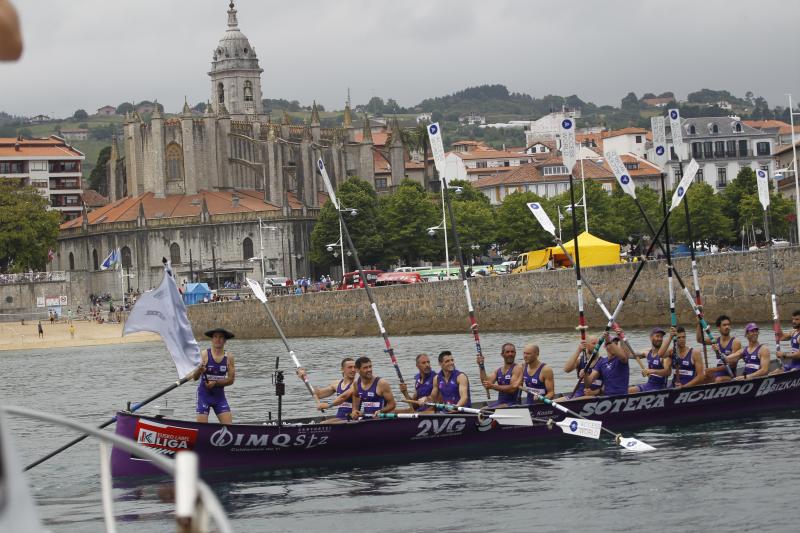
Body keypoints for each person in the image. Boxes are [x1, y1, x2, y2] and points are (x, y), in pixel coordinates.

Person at [194, 327, 236, 424]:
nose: (218, 339)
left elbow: (231, 380)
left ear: (225, 341)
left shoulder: (229, 357)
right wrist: (199, 370)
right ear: (212, 339)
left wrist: (215, 383)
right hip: (204, 396)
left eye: (221, 337)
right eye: (215, 337)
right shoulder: (204, 355)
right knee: (202, 429)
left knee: (229, 428)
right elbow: (195, 378)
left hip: (219, 397)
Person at [304, 358, 357, 422]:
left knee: (323, 423)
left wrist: (328, 405)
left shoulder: (357, 384)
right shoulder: (336, 384)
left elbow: (343, 397)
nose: (353, 370)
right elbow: (317, 394)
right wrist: (304, 378)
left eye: (355, 367)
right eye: (350, 367)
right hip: (340, 418)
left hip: (351, 418)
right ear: (342, 369)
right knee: (322, 423)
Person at [584, 331, 631, 396]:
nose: (614, 346)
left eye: (616, 344)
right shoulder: (601, 362)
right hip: (606, 397)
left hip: (621, 396)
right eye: (612, 344)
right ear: (605, 347)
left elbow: (623, 356)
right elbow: (588, 383)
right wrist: (585, 374)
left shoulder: (621, 360)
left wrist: (609, 341)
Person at [628, 327, 672, 393]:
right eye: (657, 336)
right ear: (651, 337)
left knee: (629, 391)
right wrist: (621, 339)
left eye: (661, 337)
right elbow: (628, 355)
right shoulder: (647, 352)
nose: (660, 339)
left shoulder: (665, 355)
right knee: (625, 390)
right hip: (649, 385)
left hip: (660, 388)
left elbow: (668, 372)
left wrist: (651, 371)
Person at [697, 314, 740, 382]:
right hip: (718, 373)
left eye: (728, 324)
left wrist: (713, 369)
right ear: (718, 328)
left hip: (730, 375)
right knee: (701, 378)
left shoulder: (735, 342)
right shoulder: (716, 340)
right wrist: (700, 323)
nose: (727, 327)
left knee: (718, 380)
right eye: (724, 325)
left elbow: (732, 364)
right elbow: (700, 340)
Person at [478, 343, 523, 407]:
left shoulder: (517, 368)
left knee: (493, 409)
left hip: (513, 404)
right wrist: (481, 366)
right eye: (507, 352)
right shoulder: (498, 371)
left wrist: (493, 386)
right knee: (483, 410)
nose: (510, 354)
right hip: (500, 403)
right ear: (502, 354)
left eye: (512, 352)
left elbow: (512, 389)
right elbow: (486, 383)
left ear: (515, 354)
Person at [560, 336, 602, 400]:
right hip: (578, 394)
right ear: (586, 345)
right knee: (552, 403)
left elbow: (607, 385)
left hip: (593, 396)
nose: (596, 346)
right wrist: (579, 350)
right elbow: (566, 369)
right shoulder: (580, 360)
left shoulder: (603, 362)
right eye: (593, 343)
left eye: (598, 344)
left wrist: (594, 392)